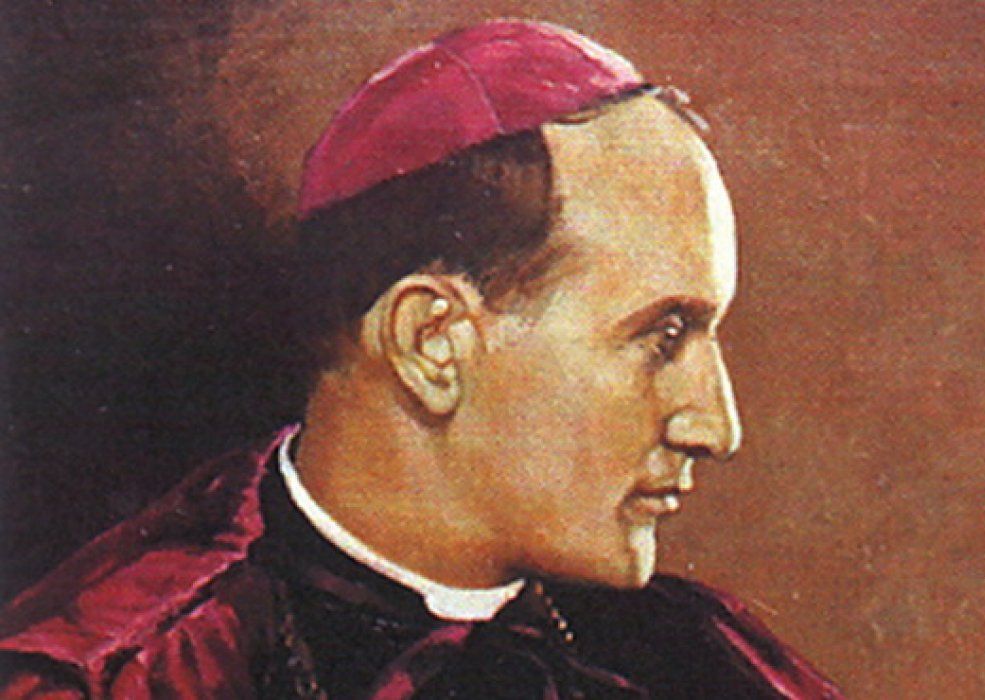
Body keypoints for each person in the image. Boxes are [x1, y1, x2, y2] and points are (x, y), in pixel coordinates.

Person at [0, 19, 843, 699]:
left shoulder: (708, 660)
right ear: (431, 340)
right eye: (662, 337)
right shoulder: (124, 675)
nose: (716, 427)